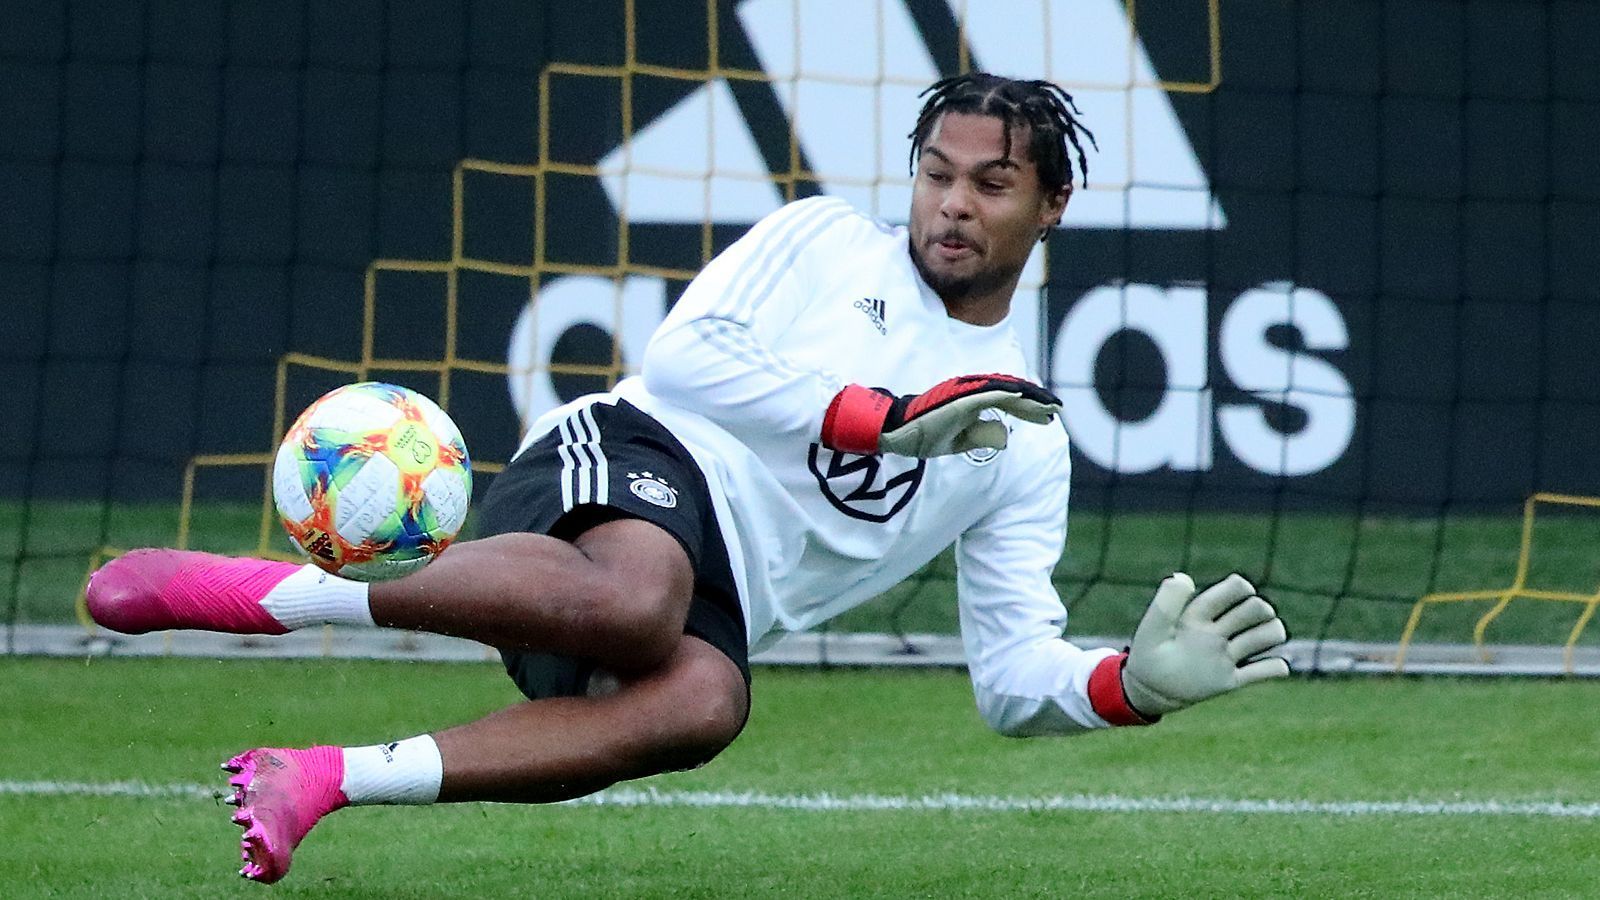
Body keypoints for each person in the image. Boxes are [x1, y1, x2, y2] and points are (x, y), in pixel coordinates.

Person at [86, 73, 1289, 884]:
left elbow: (1010, 673)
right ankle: (262, 592)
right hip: (632, 463)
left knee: (707, 706)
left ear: (1051, 207)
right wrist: (875, 418)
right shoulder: (824, 242)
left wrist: (1129, 684)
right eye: (937, 172)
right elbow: (684, 359)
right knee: (633, 601)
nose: (951, 205)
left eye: (990, 184)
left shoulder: (1024, 438)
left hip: (715, 589)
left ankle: (321, 781)